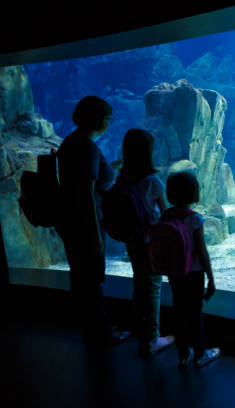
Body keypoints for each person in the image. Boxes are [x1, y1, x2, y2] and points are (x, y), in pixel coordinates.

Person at [56, 95, 129, 349]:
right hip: (84, 222)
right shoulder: (84, 147)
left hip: (72, 220)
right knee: (90, 278)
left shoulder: (72, 142)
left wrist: (119, 164)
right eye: (108, 117)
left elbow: (97, 178)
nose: (110, 122)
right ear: (97, 118)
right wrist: (94, 233)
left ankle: (96, 327)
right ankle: (99, 333)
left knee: (83, 277)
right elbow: (85, 191)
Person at [117, 128, 175, 357]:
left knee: (139, 281)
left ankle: (139, 327)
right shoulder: (153, 181)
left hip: (131, 240)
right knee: (152, 286)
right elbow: (166, 213)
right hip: (150, 241)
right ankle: (151, 339)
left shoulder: (121, 178)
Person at [162, 172, 220, 369]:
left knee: (179, 312)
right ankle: (200, 355)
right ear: (195, 193)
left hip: (174, 273)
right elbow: (202, 252)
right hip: (194, 274)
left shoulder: (166, 216)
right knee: (195, 314)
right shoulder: (195, 219)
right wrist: (211, 279)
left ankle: (183, 355)